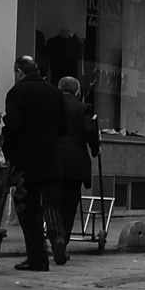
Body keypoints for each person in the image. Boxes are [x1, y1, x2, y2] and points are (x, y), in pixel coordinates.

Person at [1, 54, 70, 270]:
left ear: (19, 72)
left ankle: (37, 257)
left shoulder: (17, 92)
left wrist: (7, 148)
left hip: (26, 163)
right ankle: (56, 240)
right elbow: (63, 127)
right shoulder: (54, 93)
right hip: (50, 160)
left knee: (28, 211)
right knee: (49, 205)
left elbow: (13, 127)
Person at [54, 76, 97, 262]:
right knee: (70, 204)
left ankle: (54, 236)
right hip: (74, 163)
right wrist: (95, 148)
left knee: (52, 201)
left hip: (53, 160)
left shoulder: (51, 106)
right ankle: (63, 239)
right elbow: (89, 130)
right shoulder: (82, 108)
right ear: (77, 92)